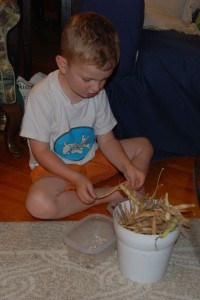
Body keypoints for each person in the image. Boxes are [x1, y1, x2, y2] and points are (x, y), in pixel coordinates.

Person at [20, 12, 153, 219]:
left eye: (104, 80)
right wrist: (75, 178)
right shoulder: (41, 96)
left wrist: (127, 167)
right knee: (39, 204)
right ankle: (110, 194)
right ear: (63, 64)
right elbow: (41, 153)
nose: (96, 88)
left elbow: (107, 140)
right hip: (56, 170)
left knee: (144, 145)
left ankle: (128, 187)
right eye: (88, 79)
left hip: (92, 161)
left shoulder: (96, 91)